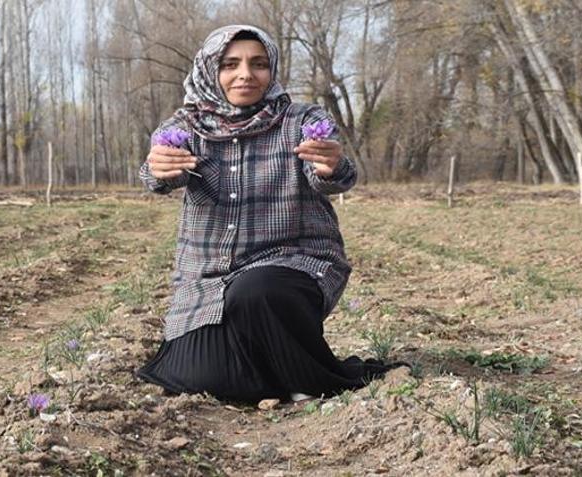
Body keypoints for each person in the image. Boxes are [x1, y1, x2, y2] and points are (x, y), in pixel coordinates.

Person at [136, 25, 399, 403]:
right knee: (197, 377)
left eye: (258, 63)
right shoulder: (183, 128)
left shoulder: (302, 120)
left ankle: (313, 379)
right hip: (210, 278)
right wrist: (159, 169)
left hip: (290, 265)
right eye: (231, 64)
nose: (246, 73)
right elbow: (158, 176)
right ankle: (282, 373)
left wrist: (329, 166)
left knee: (257, 291)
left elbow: (334, 176)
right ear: (211, 70)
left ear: (271, 69)